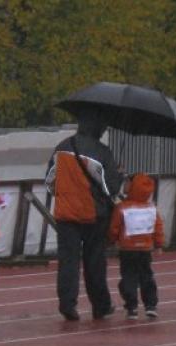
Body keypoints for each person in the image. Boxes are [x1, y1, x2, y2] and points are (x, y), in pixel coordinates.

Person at [45, 114, 124, 321]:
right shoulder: (102, 152)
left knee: (68, 261)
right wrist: (119, 175)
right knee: (95, 262)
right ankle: (100, 305)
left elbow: (50, 181)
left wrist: (65, 195)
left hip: (65, 214)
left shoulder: (61, 147)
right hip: (94, 215)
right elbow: (111, 189)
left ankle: (67, 304)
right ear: (98, 129)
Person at [108, 173, 164, 319]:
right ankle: (150, 305)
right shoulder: (151, 208)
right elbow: (158, 227)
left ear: (133, 186)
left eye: (126, 182)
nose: (124, 185)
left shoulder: (122, 208)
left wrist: (111, 240)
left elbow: (115, 227)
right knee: (147, 276)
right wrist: (158, 244)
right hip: (145, 249)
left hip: (127, 249)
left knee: (128, 277)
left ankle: (131, 306)